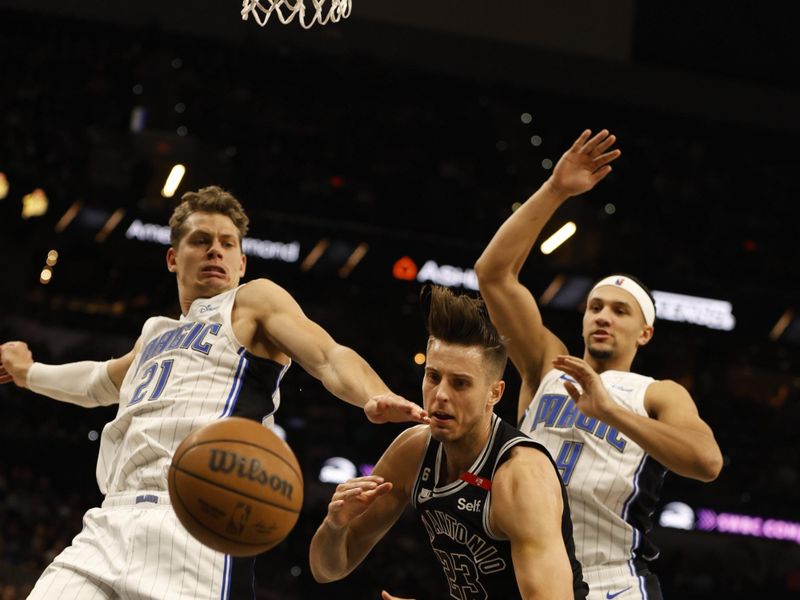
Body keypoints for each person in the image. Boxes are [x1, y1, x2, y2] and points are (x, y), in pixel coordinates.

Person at [0, 185, 428, 600]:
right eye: (200, 240)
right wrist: (28, 372)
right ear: (173, 257)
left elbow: (328, 356)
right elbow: (96, 383)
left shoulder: (252, 302)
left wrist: (372, 394)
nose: (214, 250)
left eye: (227, 243)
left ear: (242, 263)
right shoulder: (153, 334)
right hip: (109, 522)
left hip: (200, 522)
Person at [474, 129, 723, 599]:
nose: (603, 316)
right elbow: (493, 274)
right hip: (531, 580)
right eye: (595, 306)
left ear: (644, 333)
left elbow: (707, 463)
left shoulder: (657, 393)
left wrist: (609, 411)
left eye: (619, 310)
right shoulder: (546, 363)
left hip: (614, 581)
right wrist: (556, 190)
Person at [309, 285, 589, 599]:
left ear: (494, 393)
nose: (441, 394)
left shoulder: (520, 478)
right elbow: (328, 569)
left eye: (460, 383)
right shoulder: (413, 451)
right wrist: (335, 524)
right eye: (433, 377)